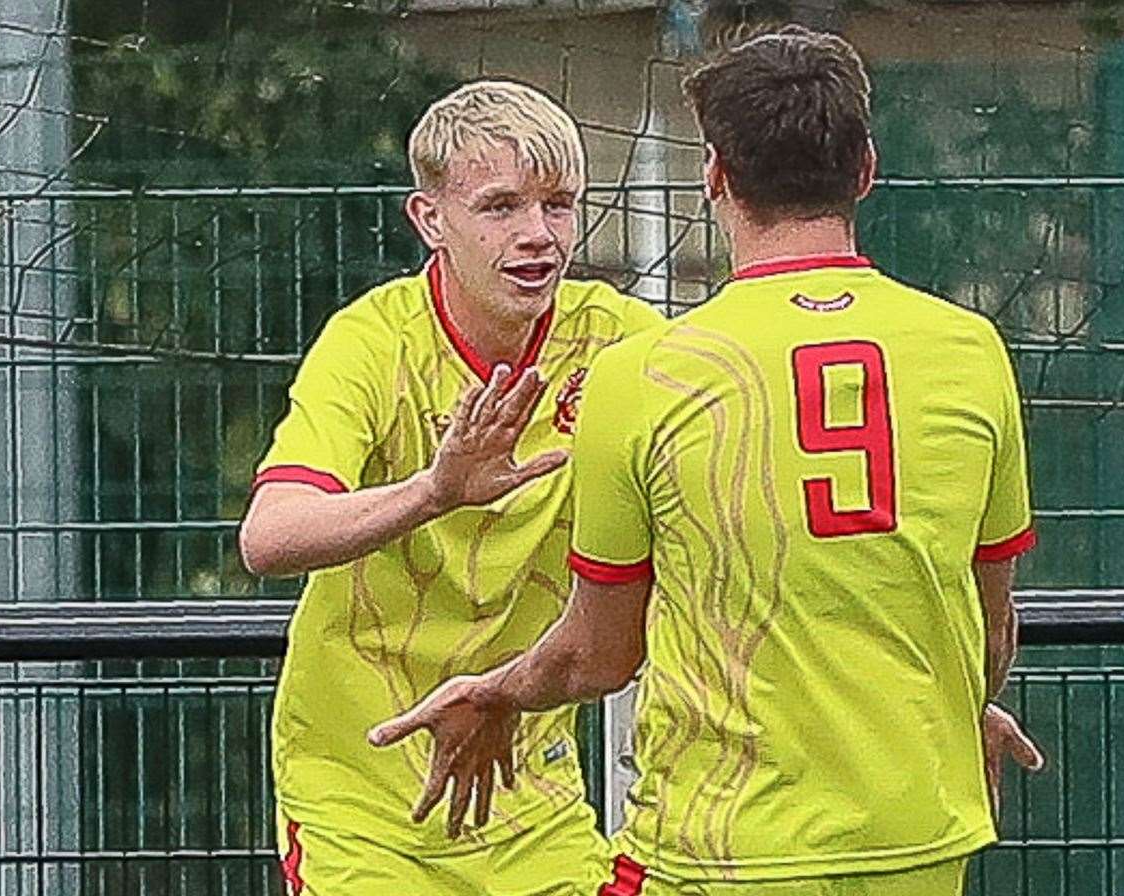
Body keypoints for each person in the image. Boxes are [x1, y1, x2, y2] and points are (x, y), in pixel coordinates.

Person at [372, 27, 1047, 896]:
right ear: (867, 169)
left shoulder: (643, 373)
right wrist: (950, 716)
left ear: (716, 177)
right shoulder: (970, 350)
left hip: (723, 849)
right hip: (918, 836)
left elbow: (595, 656)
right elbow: (992, 618)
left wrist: (496, 691)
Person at [237, 80, 663, 894]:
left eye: (558, 204)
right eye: (500, 206)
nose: (537, 235)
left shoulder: (621, 341)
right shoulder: (370, 341)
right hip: (360, 794)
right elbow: (268, 538)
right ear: (429, 220)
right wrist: (436, 490)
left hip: (525, 784)